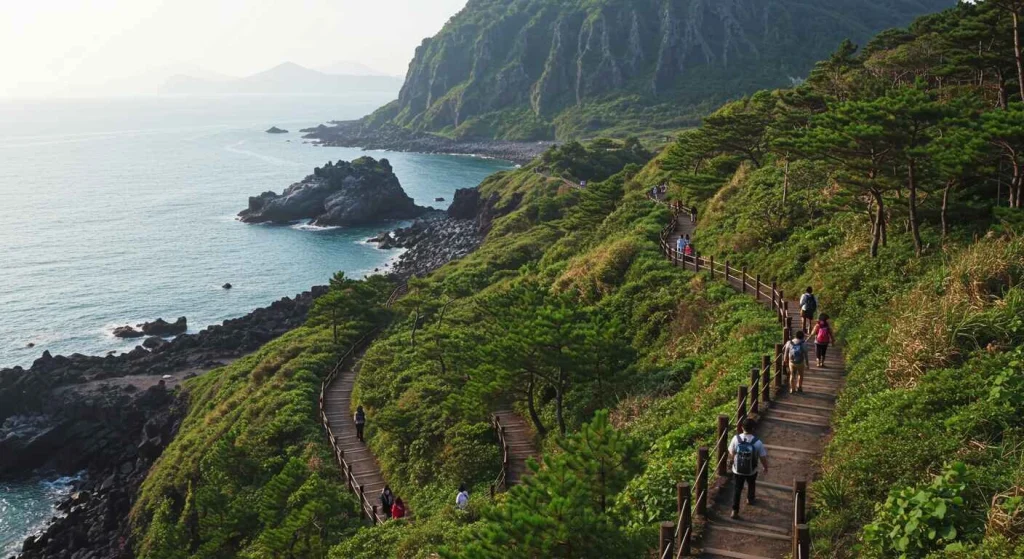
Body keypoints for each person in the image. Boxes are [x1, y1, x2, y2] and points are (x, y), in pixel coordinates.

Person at [728, 418, 769, 519]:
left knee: (737, 489)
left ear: (742, 427)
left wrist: (734, 460)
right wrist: (765, 467)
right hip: (751, 470)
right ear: (753, 429)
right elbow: (762, 457)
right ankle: (750, 499)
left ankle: (734, 510)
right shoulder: (757, 442)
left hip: (737, 470)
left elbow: (731, 453)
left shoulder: (736, 439)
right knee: (751, 483)